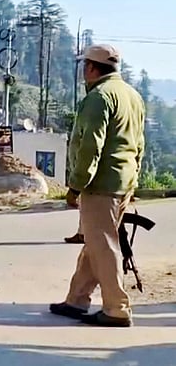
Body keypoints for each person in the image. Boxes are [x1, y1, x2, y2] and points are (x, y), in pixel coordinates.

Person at [50, 44, 145, 328]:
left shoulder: (99, 97)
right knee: (97, 242)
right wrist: (133, 177)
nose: (83, 70)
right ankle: (77, 300)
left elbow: (91, 146)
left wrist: (76, 186)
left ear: (91, 68)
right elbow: (139, 143)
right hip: (123, 181)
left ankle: (117, 309)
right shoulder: (132, 95)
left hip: (100, 184)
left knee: (103, 246)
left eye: (85, 65)